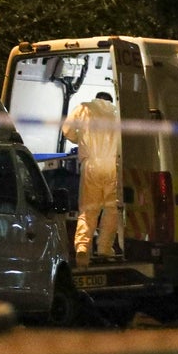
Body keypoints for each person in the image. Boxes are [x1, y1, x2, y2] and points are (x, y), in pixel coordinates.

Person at [61, 92, 119, 269]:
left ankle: (83, 248)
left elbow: (67, 130)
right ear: (109, 100)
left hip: (91, 165)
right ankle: (104, 249)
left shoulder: (84, 108)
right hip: (113, 166)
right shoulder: (117, 113)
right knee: (111, 209)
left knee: (88, 208)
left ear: (96, 98)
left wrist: (80, 140)